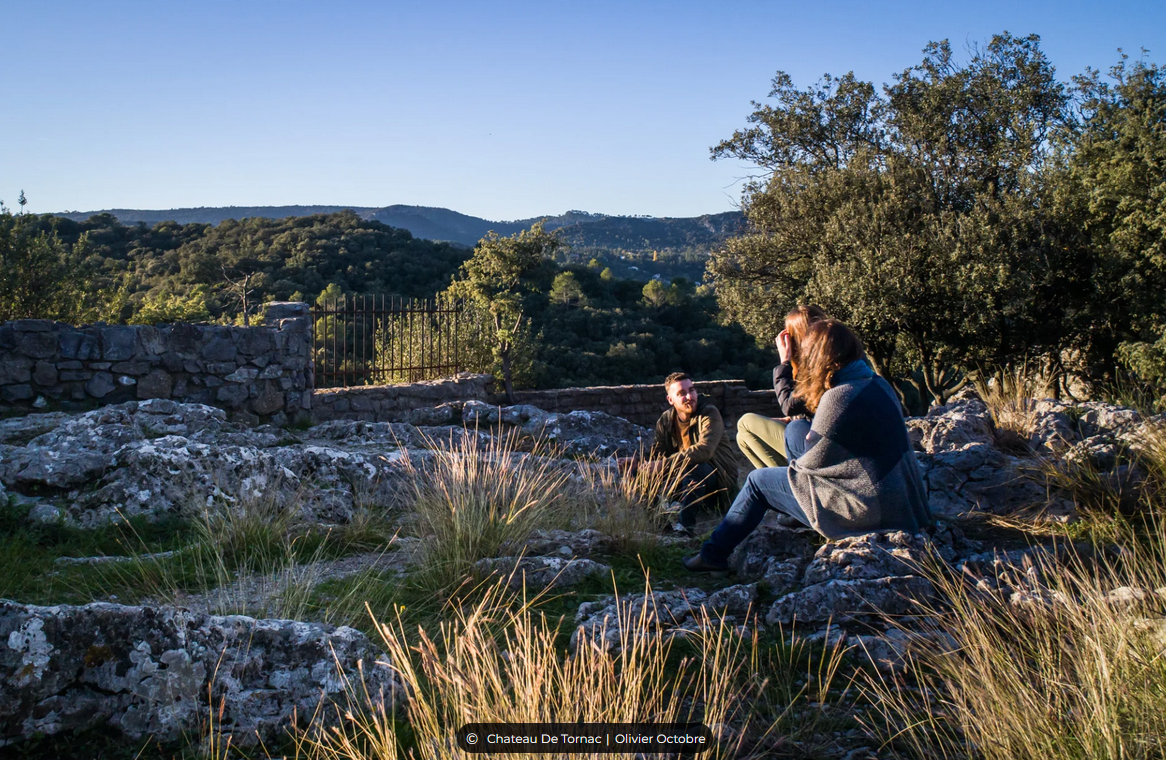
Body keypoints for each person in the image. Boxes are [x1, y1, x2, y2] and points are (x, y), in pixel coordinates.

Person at [683, 320, 931, 572]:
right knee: (795, 430)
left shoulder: (839, 397)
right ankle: (794, 514)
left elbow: (810, 466)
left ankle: (713, 555)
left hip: (868, 510)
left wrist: (779, 487)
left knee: (758, 482)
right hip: (903, 500)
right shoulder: (876, 382)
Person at [622, 372, 739, 534]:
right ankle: (661, 526)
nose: (689, 396)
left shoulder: (709, 414)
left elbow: (704, 451)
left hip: (717, 484)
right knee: (638, 473)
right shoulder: (666, 420)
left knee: (696, 467)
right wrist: (639, 462)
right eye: (682, 394)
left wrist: (664, 464)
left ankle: (685, 528)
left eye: (691, 390)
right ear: (671, 400)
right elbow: (658, 454)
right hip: (685, 481)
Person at [736, 304, 827, 470]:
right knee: (742, 438)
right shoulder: (825, 361)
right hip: (815, 438)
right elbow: (811, 406)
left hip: (818, 448)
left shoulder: (819, 368)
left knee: (745, 422)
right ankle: (785, 481)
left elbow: (788, 405)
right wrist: (792, 419)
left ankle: (793, 482)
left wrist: (784, 362)